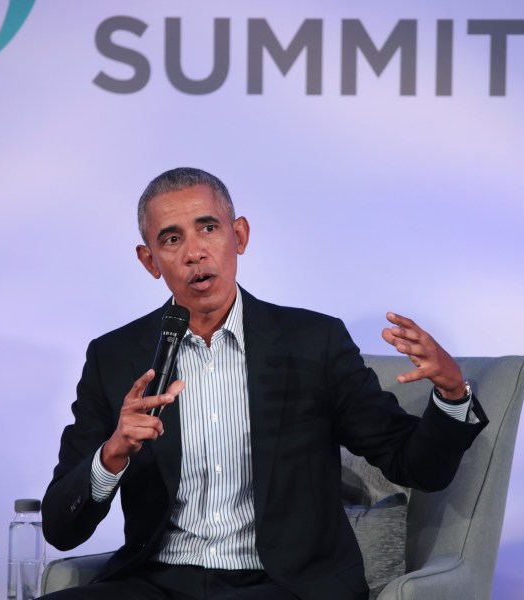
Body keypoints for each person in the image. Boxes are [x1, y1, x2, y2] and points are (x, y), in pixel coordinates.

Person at [40, 167, 488, 600]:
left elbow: (413, 464)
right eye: (172, 239)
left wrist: (451, 393)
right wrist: (111, 455)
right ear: (149, 261)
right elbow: (61, 529)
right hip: (156, 582)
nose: (194, 252)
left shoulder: (313, 343)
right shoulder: (114, 358)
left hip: (283, 584)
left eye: (208, 228)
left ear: (239, 236)